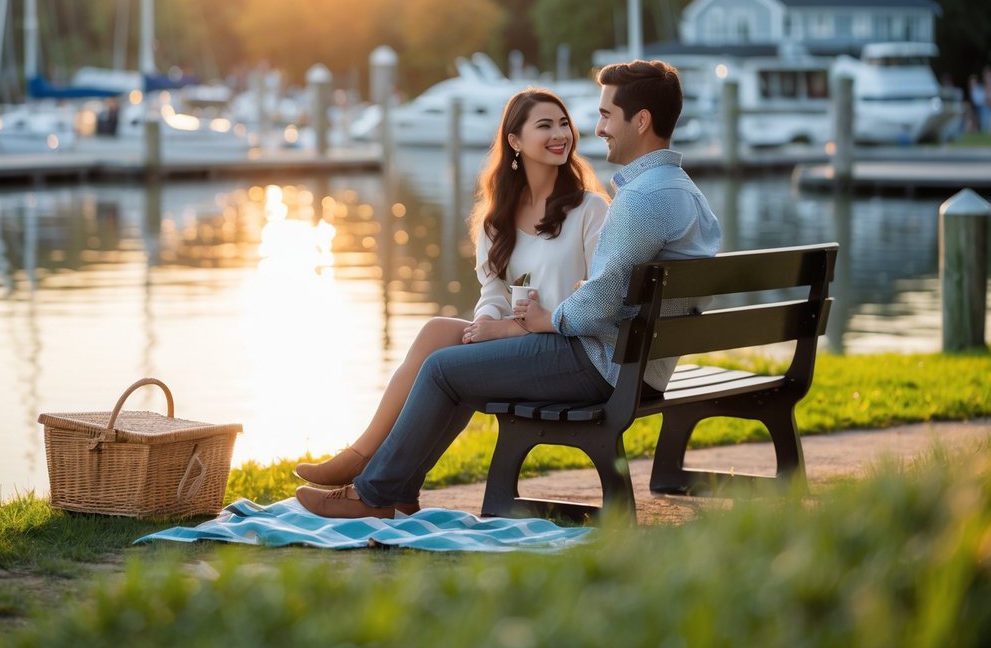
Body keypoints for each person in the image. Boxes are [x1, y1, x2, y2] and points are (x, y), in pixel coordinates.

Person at [296, 59, 722, 519]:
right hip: (627, 361)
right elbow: (596, 294)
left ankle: (374, 494)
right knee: (443, 345)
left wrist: (542, 321)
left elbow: (597, 305)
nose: (595, 128)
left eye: (605, 115)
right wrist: (504, 322)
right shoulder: (678, 189)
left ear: (640, 121)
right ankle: (388, 486)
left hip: (602, 365)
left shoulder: (639, 201)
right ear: (515, 143)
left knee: (443, 369)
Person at [295, 87, 609, 487]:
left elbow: (597, 295)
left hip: (562, 346)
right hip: (516, 341)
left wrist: (512, 329)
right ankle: (363, 453)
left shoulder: (589, 210)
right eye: (544, 125)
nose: (560, 134)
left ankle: (378, 481)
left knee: (443, 366)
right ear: (514, 141)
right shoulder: (498, 219)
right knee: (436, 331)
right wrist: (484, 328)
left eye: (564, 123)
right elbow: (493, 293)